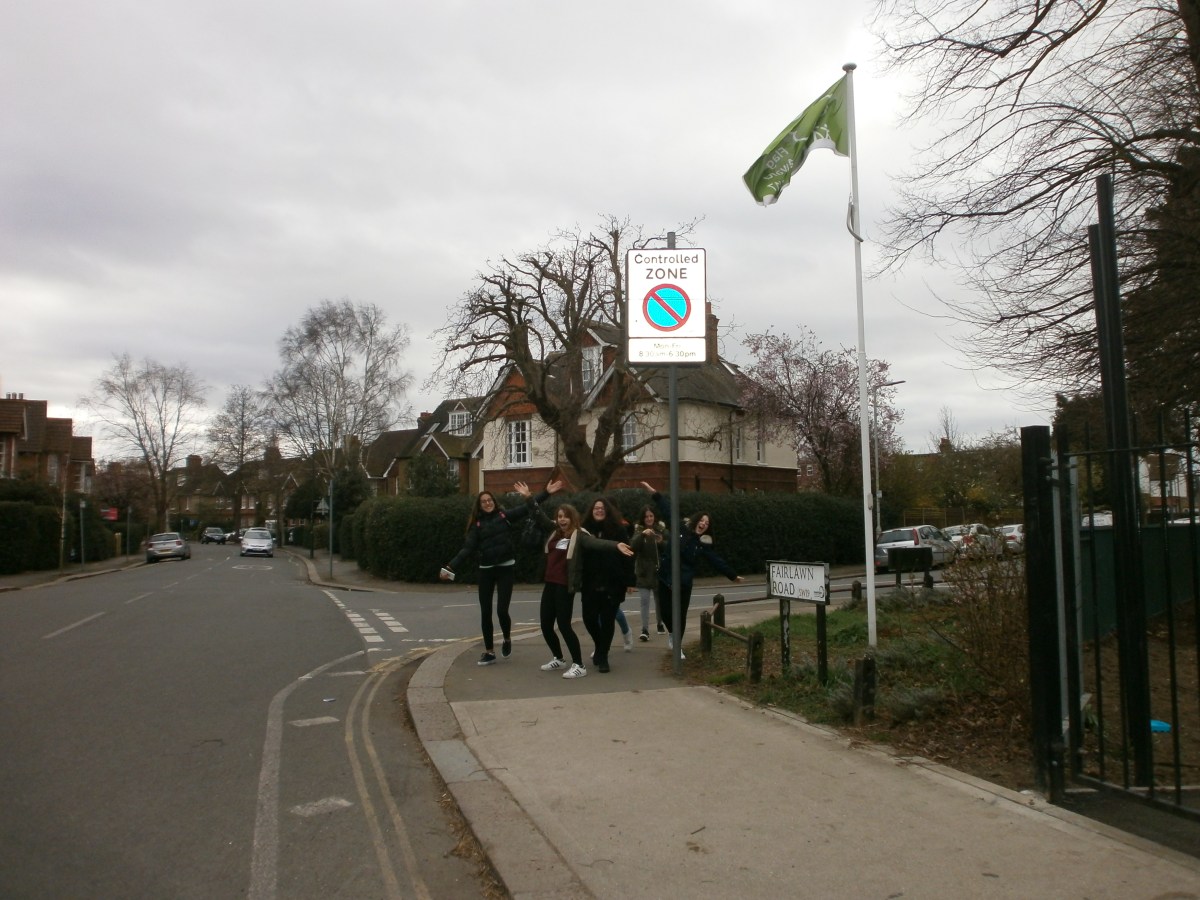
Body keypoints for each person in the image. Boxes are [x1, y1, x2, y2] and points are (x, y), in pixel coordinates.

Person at [441, 479, 561, 665]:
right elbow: (467, 549)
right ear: (479, 506)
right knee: (486, 612)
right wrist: (450, 567)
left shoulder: (505, 516)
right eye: (484, 501)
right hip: (486, 571)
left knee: (502, 610)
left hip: (506, 568)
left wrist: (546, 492)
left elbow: (526, 508)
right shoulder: (477, 525)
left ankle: (506, 638)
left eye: (490, 500)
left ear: (494, 502)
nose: (487, 503)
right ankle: (489, 652)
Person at [521, 495, 633, 679]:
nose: (562, 519)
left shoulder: (580, 535)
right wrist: (529, 499)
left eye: (566, 516)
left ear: (573, 518)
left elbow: (596, 543)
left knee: (564, 625)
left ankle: (579, 665)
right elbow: (540, 517)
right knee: (546, 625)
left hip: (565, 585)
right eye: (559, 516)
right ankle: (558, 658)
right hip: (550, 583)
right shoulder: (555, 532)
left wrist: (616, 546)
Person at [639, 481, 744, 658]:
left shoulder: (702, 545)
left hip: (683, 584)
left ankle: (677, 645)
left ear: (708, 528)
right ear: (696, 521)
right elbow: (668, 509)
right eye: (702, 520)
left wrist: (732, 576)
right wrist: (654, 493)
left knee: (680, 616)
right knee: (665, 613)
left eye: (707, 523)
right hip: (666, 577)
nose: (703, 523)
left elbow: (716, 560)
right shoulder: (681, 527)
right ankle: (672, 634)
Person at [579, 497, 636, 672]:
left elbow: (628, 555)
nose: (599, 510)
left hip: (613, 582)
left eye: (602, 508)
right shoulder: (584, 530)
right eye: (596, 508)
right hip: (590, 582)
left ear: (608, 511)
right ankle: (600, 646)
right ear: (591, 511)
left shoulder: (618, 529)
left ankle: (603, 656)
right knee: (589, 618)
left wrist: (630, 581)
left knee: (607, 620)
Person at [629, 504, 666, 642]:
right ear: (642, 519)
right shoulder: (639, 531)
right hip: (643, 572)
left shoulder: (661, 530)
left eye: (651, 516)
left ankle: (660, 623)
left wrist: (661, 542)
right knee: (644, 601)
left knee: (659, 601)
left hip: (658, 571)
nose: (649, 519)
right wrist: (642, 535)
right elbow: (632, 547)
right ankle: (644, 630)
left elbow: (669, 547)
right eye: (646, 517)